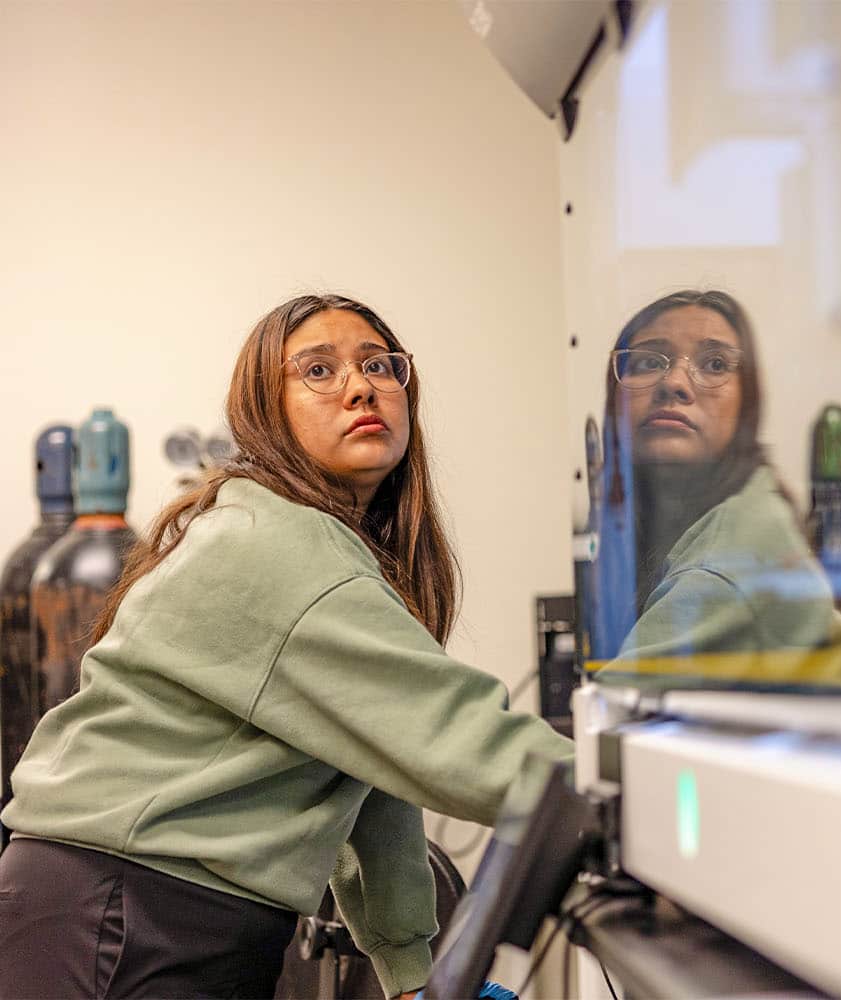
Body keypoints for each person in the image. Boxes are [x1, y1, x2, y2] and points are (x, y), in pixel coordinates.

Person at [0, 294, 571, 999]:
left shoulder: (319, 549)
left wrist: (409, 972)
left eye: (379, 365)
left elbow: (381, 767)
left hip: (144, 914)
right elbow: (462, 739)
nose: (361, 385)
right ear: (266, 414)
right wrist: (623, 797)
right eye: (318, 370)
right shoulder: (280, 545)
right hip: (124, 915)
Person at [593, 289, 841, 685]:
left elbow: (608, 728)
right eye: (646, 362)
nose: (674, 382)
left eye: (714, 364)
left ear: (748, 405)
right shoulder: (670, 529)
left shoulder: (731, 560)